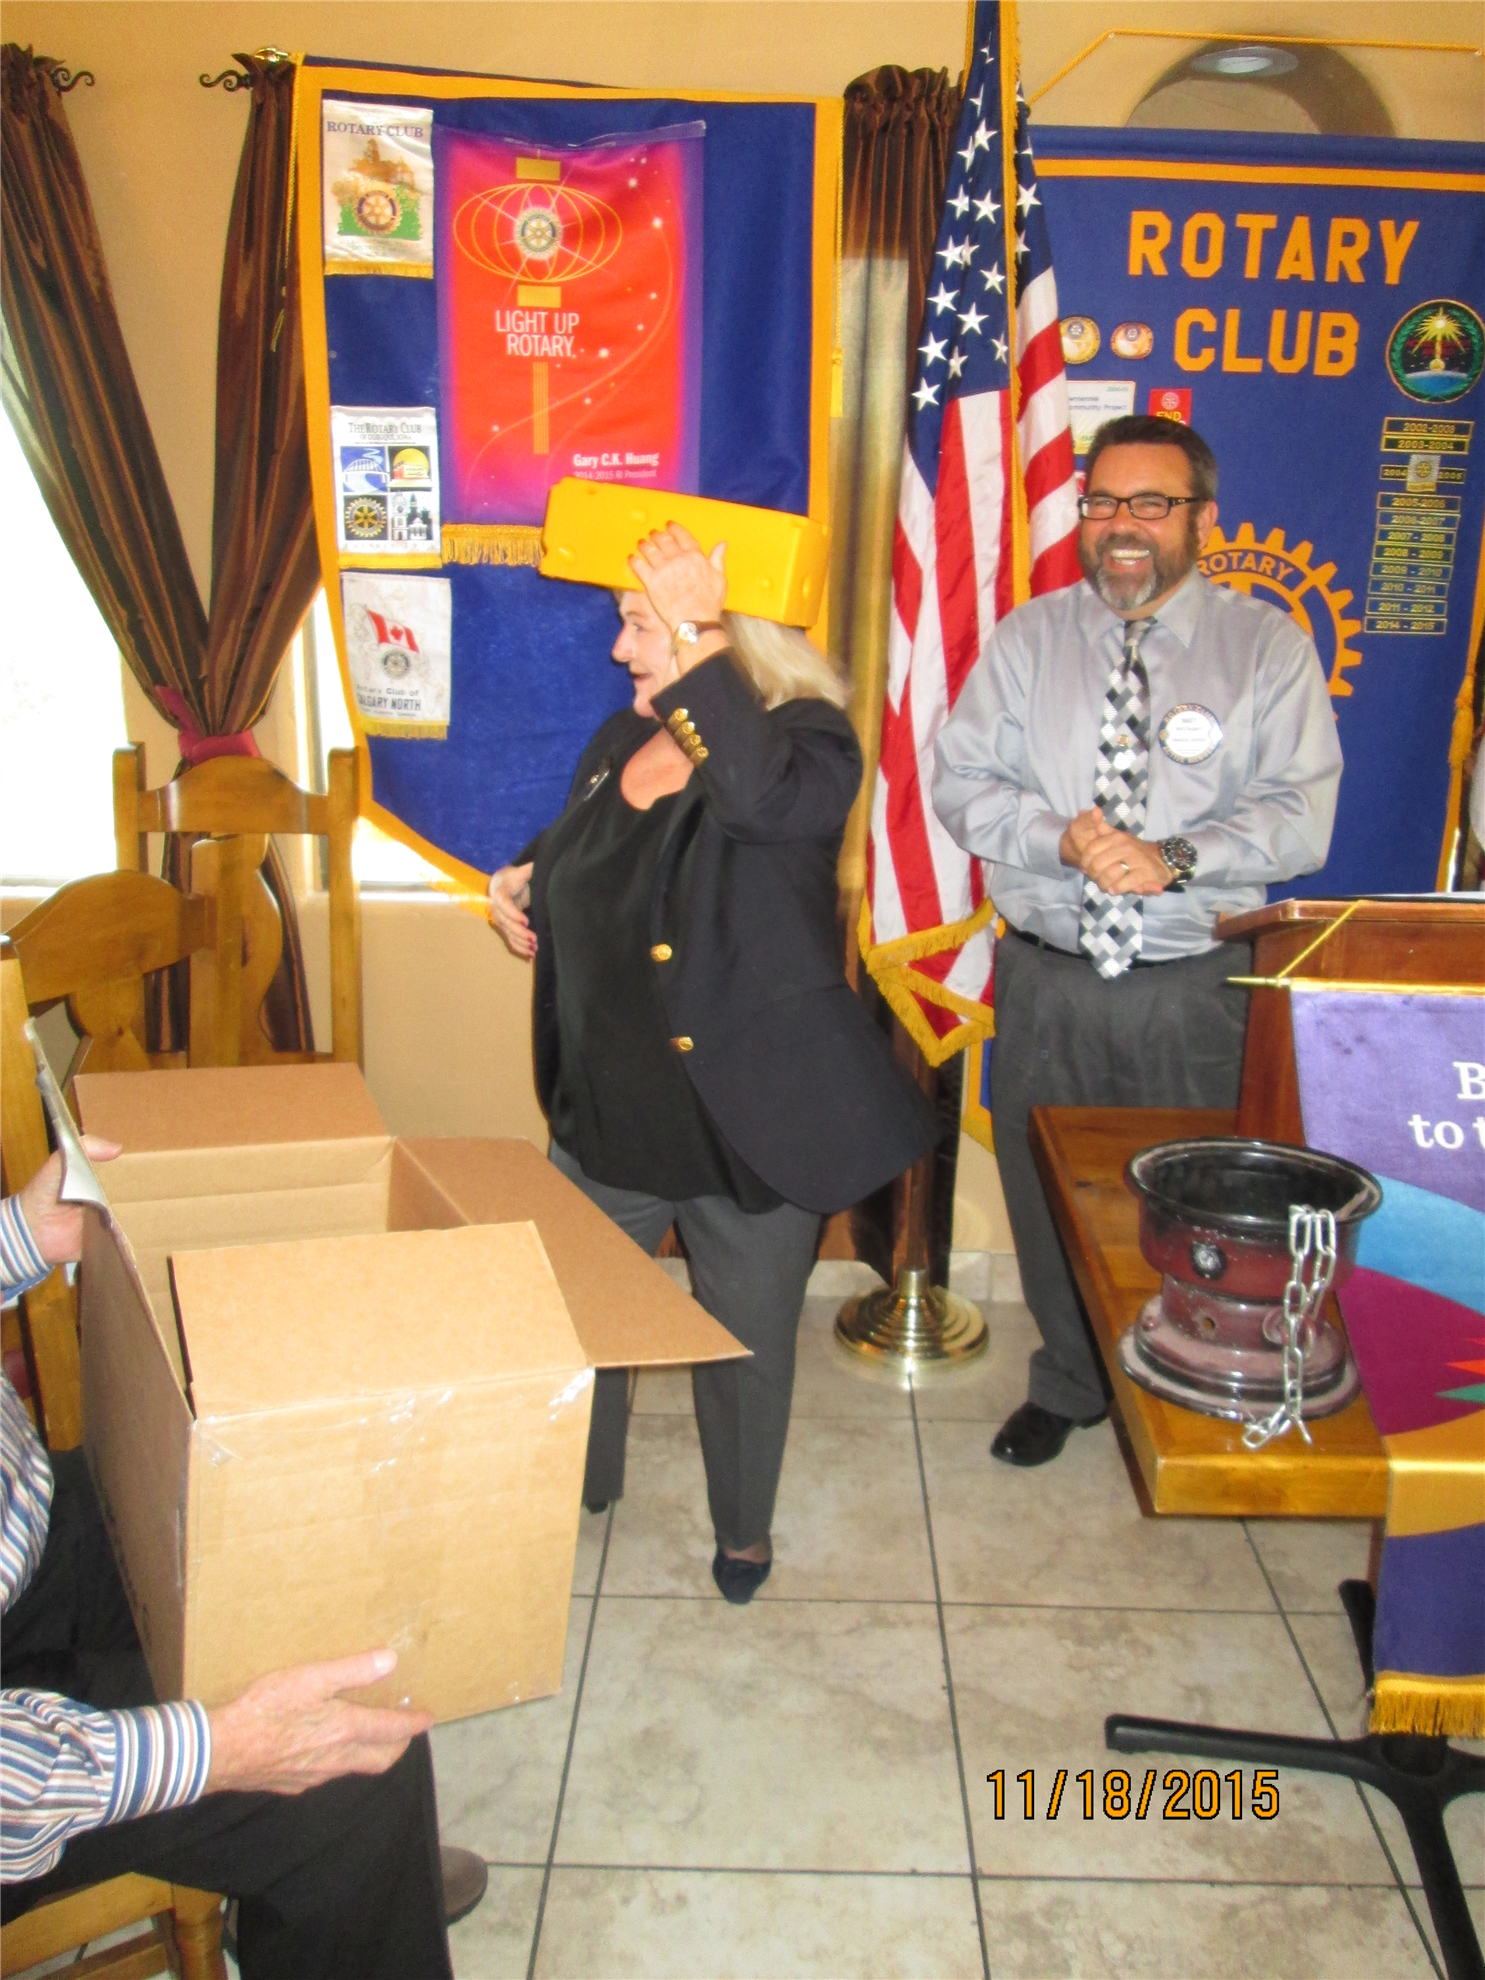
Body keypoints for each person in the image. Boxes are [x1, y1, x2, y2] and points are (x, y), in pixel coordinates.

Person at [489, 519, 936, 1601]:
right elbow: (595, 854)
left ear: (722, 635)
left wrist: (694, 634)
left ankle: (742, 1532)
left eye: (640, 626)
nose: (620, 651)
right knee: (579, 1317)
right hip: (607, 1114)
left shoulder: (807, 743)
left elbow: (761, 804)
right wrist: (522, 879)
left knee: (744, 1347)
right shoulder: (618, 740)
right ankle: (584, 1482)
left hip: (749, 1128)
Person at [931, 414, 1342, 1469]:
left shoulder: (1267, 650)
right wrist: (1057, 838)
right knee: (1046, 1197)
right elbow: (961, 781)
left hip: (1196, 987)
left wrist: (1176, 857)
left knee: (1197, 1207)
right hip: (1051, 980)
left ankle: (1188, 1381)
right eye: (1103, 502)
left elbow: (1301, 817)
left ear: (1204, 519)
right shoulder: (1028, 639)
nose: (1122, 526)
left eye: (1151, 504)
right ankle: (1070, 1382)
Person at [0, 1142, 458, 1977]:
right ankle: (346, 1866)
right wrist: (208, 1751)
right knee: (349, 1766)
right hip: (18, 1768)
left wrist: (18, 1239)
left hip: (36, 1537)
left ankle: (337, 1887)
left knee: (289, 1565)